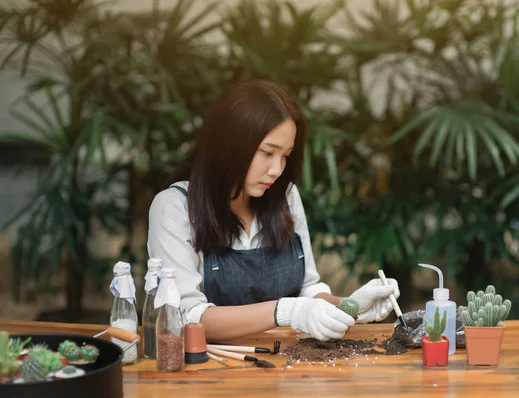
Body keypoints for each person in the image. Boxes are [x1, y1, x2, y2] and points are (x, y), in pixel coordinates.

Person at [147, 79, 400, 342]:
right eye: (267, 152)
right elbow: (185, 318)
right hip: (211, 372)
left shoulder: (286, 196)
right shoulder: (174, 207)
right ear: (228, 145)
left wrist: (352, 306)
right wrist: (285, 311)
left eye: (285, 155)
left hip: (287, 367)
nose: (277, 169)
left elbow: (308, 291)